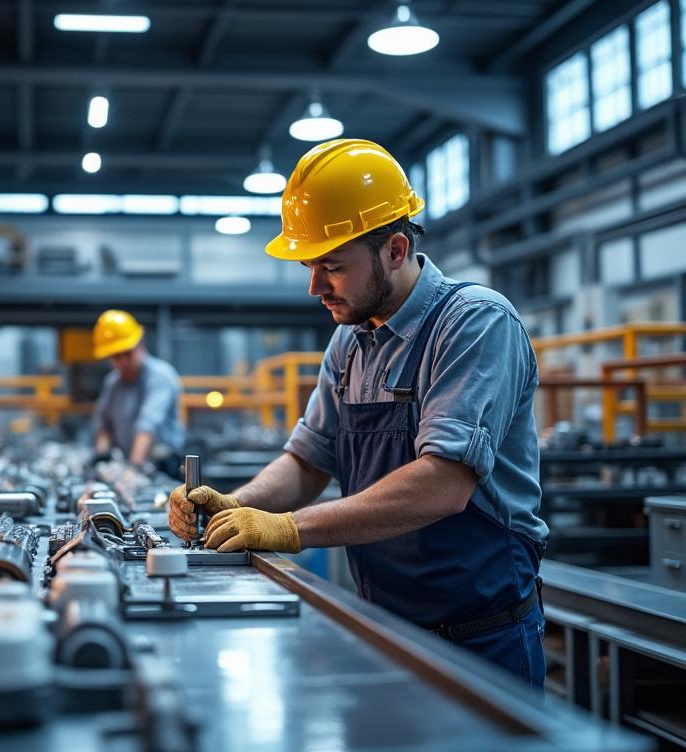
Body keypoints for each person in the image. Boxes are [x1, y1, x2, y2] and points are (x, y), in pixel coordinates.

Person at [167, 139, 549, 685]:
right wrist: (236, 506)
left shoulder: (474, 323)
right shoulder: (350, 343)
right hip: (386, 625)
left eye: (332, 267)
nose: (314, 287)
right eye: (309, 266)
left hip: (483, 641)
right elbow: (308, 460)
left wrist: (288, 528)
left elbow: (442, 484)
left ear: (395, 249)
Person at [92, 309, 185, 478]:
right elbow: (103, 425)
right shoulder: (113, 383)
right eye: (115, 356)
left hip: (163, 470)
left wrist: (132, 471)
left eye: (127, 353)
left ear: (140, 343)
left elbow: (147, 426)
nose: (122, 362)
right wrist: (102, 459)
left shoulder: (160, 377)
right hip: (131, 466)